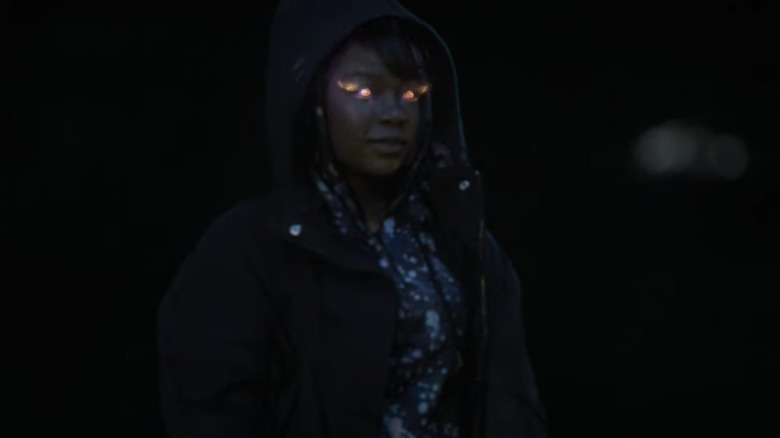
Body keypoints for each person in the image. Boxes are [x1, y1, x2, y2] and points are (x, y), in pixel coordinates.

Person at [155, 0, 547, 437]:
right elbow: (210, 411)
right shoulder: (248, 250)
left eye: (411, 94)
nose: (394, 114)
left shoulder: (460, 242)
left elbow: (510, 401)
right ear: (310, 94)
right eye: (362, 91)